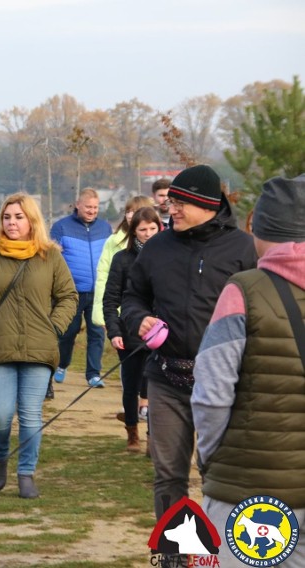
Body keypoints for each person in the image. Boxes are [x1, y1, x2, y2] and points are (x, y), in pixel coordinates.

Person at [121, 164, 257, 520]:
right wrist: (138, 319)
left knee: (219, 475)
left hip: (226, 385)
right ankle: (172, 554)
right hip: (166, 379)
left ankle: (229, 552)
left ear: (207, 204)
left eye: (181, 202)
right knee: (168, 476)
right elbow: (132, 296)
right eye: (172, 201)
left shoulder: (244, 250)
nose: (171, 208)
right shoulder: (157, 247)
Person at [192, 174, 305, 567]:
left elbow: (211, 394)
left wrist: (209, 458)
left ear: (259, 225)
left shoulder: (243, 290)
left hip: (249, 493)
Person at [0, 193, 77, 499]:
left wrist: (54, 326)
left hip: (39, 349)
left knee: (30, 415)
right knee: (0, 415)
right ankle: (0, 455)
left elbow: (68, 296)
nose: (12, 223)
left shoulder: (50, 256)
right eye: (7, 217)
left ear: (32, 220)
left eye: (18, 217)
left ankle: (26, 471)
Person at [102, 207, 161, 452]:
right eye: (143, 230)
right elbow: (111, 299)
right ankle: (132, 433)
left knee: (155, 387)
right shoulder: (122, 259)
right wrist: (114, 332)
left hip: (160, 333)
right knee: (131, 384)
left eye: (153, 228)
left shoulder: (167, 256)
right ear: (133, 231)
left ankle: (152, 438)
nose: (148, 234)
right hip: (129, 334)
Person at [90, 195, 154, 402]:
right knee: (131, 373)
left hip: (153, 322)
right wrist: (106, 320)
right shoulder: (115, 244)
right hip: (123, 317)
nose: (147, 233)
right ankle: (132, 420)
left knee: (148, 373)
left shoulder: (164, 251)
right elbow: (104, 279)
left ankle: (144, 407)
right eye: (130, 211)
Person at [50, 188, 112, 388]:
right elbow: (53, 259)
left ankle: (93, 374)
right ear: (78, 205)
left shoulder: (105, 228)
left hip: (98, 292)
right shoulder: (61, 227)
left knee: (97, 333)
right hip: (72, 292)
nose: (92, 211)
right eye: (88, 207)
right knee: (68, 332)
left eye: (95, 207)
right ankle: (62, 364)